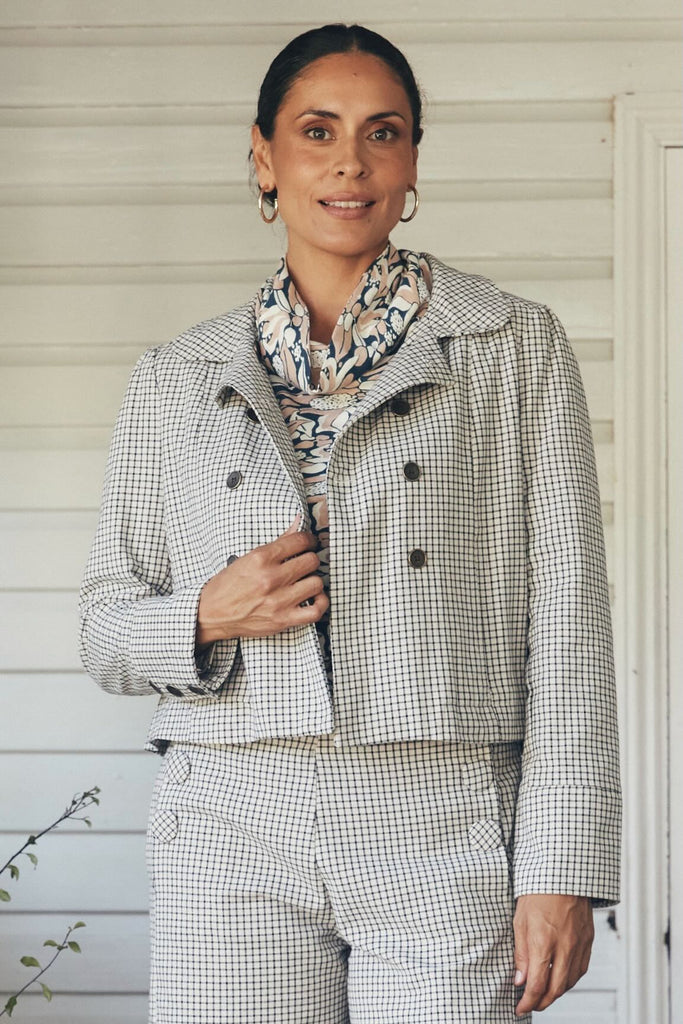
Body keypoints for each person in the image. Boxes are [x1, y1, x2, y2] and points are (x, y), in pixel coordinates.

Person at [79, 23, 621, 1024]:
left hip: (442, 815)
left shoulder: (510, 345)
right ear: (263, 157)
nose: (350, 162)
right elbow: (104, 627)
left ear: (411, 162)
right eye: (317, 131)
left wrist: (562, 866)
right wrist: (204, 614)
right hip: (229, 817)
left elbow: (569, 624)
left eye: (382, 132)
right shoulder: (175, 377)